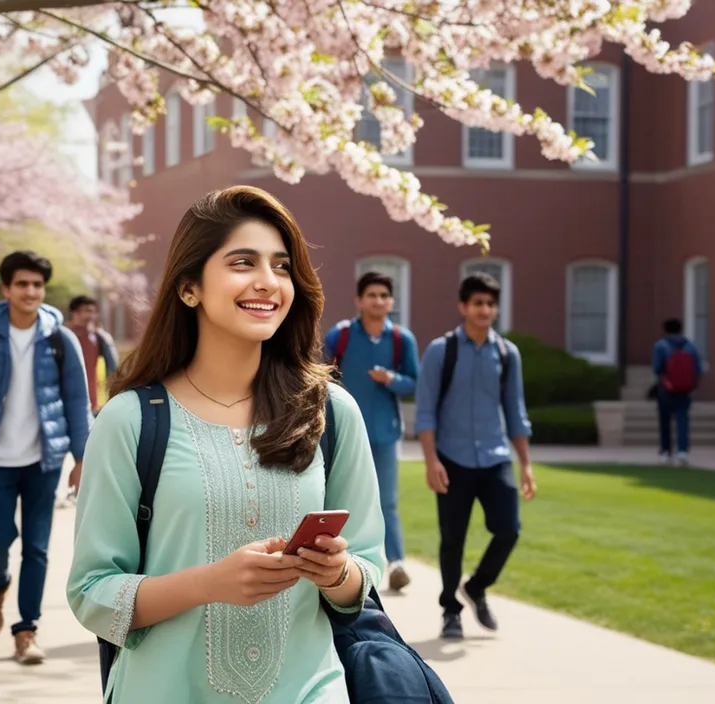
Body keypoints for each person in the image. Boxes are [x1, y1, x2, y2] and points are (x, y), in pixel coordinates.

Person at [66, 186, 385, 702]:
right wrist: (210, 583)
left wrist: (338, 573)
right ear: (189, 287)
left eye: (282, 267)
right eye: (243, 262)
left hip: (310, 689)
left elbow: (365, 572)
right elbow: (91, 593)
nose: (268, 282)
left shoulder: (331, 413)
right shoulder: (131, 421)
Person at [0, 250, 93, 665]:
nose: (30, 291)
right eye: (22, 284)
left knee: (37, 548)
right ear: (6, 289)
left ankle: (26, 630)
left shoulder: (60, 339)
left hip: (43, 463)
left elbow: (77, 401)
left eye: (37, 285)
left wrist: (82, 457)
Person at [415, 272, 535, 641]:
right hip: (452, 458)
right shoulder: (441, 350)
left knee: (509, 530)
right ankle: (450, 609)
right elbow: (425, 410)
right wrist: (431, 460)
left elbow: (515, 410)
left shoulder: (507, 353)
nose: (484, 310)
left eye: (490, 304)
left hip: (496, 456)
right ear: (463, 307)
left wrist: (526, 465)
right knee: (453, 539)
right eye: (477, 303)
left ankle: (478, 586)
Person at [322, 271, 418, 592]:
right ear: (359, 301)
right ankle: (343, 562)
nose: (378, 301)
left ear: (391, 302)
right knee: (340, 498)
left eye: (384, 296)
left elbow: (414, 384)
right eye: (372, 295)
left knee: (387, 501)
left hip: (386, 433)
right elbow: (322, 375)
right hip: (343, 432)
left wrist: (391, 378)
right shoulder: (341, 336)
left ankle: (398, 563)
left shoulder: (401, 340)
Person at [652, 318, 703, 466]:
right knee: (682, 419)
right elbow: (698, 368)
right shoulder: (690, 346)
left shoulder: (660, 346)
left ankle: (666, 452)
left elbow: (657, 368)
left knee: (665, 420)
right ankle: (682, 452)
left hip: (666, 388)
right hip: (685, 389)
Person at [67, 295, 120, 414]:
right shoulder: (62, 337)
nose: (90, 315)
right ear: (74, 313)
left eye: (92, 311)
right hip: (65, 403)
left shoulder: (100, 339)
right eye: (86, 311)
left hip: (93, 405)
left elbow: (113, 371)